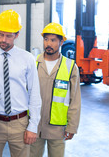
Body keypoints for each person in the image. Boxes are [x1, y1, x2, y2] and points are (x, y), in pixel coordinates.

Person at [0, 9, 42, 157]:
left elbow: (34, 93)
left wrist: (33, 126)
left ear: (17, 34)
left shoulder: (28, 58)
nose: (3, 40)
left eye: (8, 36)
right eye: (1, 34)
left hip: (20, 122)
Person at [30, 23, 81, 157]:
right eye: (46, 39)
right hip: (35, 125)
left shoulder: (70, 67)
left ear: (61, 42)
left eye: (53, 40)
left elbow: (75, 100)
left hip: (57, 128)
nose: (48, 43)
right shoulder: (33, 64)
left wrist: (72, 127)